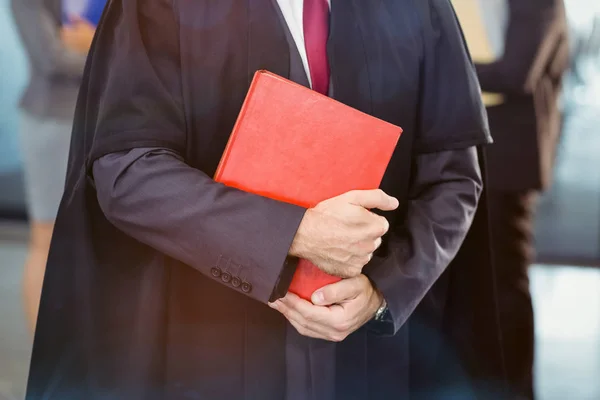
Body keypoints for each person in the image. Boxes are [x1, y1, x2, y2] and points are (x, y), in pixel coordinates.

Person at [26, 0, 505, 399]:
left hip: (364, 355)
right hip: (206, 340)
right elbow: (125, 168)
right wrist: (294, 231)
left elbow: (453, 175)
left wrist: (383, 292)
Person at [458, 0, 569, 398]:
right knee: (475, 289)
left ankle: (516, 390)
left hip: (507, 166)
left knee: (504, 284)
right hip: (473, 157)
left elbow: (516, 72)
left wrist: (437, 65)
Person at [10, 0, 96, 333]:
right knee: (46, 239)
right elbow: (52, 58)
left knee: (91, 241)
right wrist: (105, 49)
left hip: (98, 119)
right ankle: (42, 358)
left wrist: (91, 41)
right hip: (52, 123)